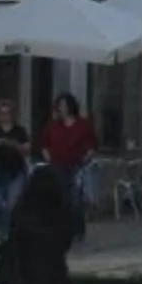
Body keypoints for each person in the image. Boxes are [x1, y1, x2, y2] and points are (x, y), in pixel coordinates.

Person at [41, 91, 98, 220]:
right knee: (59, 197)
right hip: (57, 165)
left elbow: (92, 144)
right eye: (59, 106)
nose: (61, 109)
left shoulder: (82, 125)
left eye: (64, 105)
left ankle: (77, 229)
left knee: (76, 198)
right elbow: (44, 144)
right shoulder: (53, 126)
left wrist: (87, 157)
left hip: (77, 166)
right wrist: (47, 156)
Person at [0, 99, 30, 233]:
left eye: (7, 113)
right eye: (2, 113)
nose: (4, 116)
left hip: (16, 171)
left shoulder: (20, 131)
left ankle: (9, 231)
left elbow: (27, 150)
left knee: (12, 205)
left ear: (12, 115)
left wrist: (15, 145)